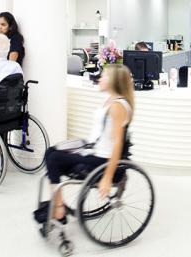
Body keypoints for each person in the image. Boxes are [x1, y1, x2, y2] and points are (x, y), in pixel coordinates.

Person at [45, 64, 134, 223]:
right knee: (51, 151)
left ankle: (59, 212)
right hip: (93, 150)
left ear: (114, 81)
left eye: (104, 75)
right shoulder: (110, 100)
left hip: (102, 160)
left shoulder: (117, 106)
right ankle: (58, 205)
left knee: (54, 159)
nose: (100, 77)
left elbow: (117, 143)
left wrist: (107, 177)